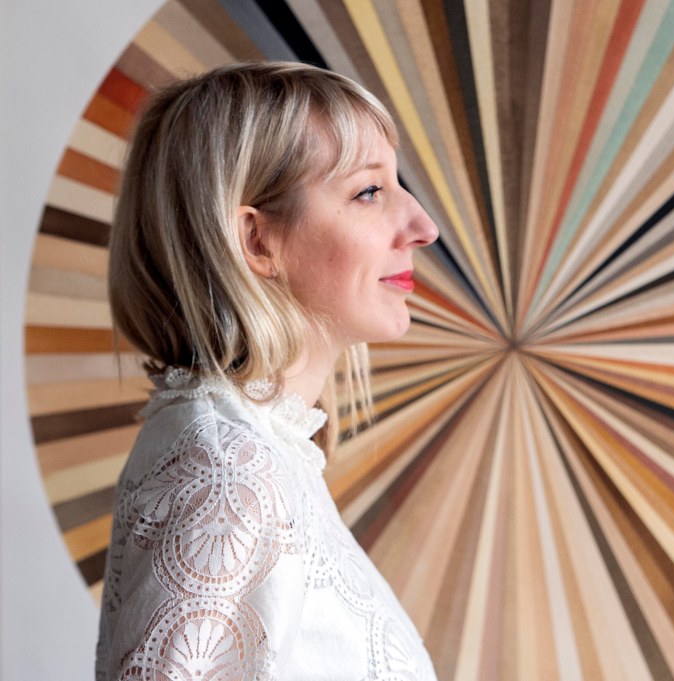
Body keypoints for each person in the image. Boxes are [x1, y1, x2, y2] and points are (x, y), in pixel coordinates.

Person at [96, 62, 439, 680]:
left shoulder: (257, 452)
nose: (423, 227)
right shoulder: (229, 469)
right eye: (369, 192)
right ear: (256, 241)